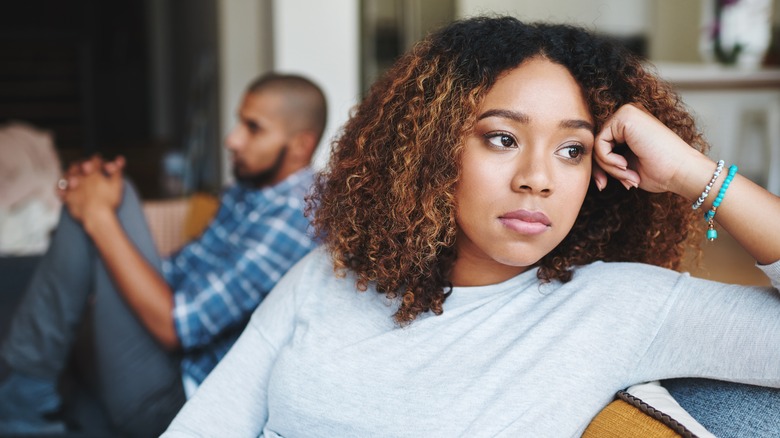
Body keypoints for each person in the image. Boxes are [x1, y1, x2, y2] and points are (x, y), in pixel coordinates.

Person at [163, 17, 780, 437]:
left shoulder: (621, 307)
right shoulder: (324, 277)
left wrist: (696, 175)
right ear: (431, 151)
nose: (538, 177)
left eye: (572, 150)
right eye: (503, 139)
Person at [0, 72, 327, 437]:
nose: (231, 139)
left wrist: (99, 217)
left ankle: (23, 399)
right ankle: (26, 395)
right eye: (240, 122)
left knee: (110, 198)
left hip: (177, 398)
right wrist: (97, 225)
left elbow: (179, 328)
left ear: (300, 145)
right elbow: (175, 270)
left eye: (253, 128)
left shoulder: (295, 217)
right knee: (101, 192)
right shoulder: (251, 191)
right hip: (164, 361)